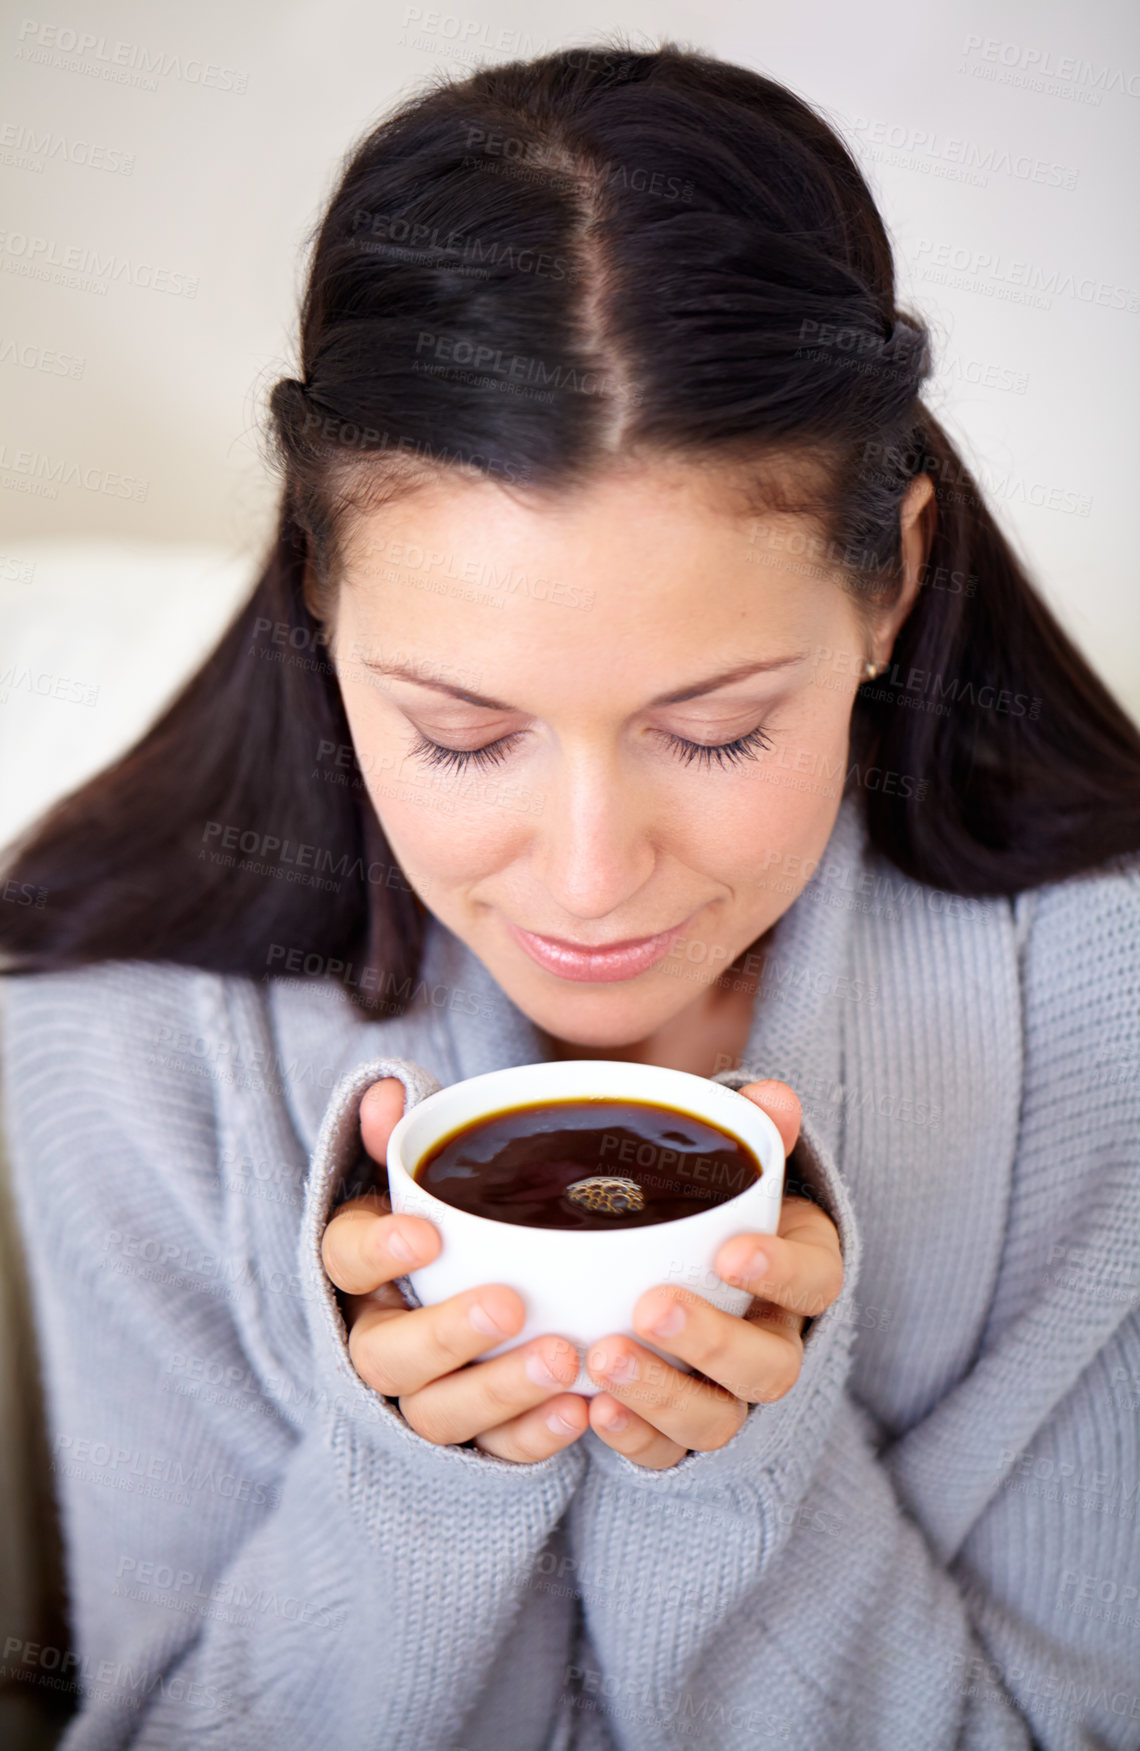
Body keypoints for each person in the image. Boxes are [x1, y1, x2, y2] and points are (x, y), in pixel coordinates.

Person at [1, 40, 1138, 1751]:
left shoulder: (1102, 1006)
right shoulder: (121, 1016)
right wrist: (416, 1493)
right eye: (463, 735)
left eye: (716, 727)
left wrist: (742, 1476)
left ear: (889, 586)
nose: (592, 880)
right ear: (320, 591)